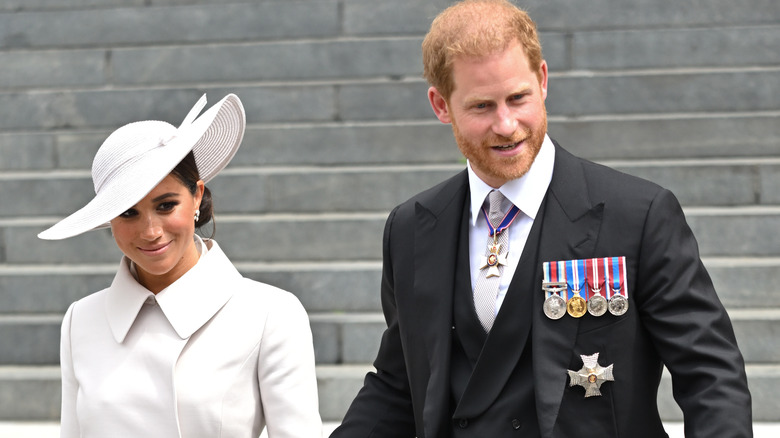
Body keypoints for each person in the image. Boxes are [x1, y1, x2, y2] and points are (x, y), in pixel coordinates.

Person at [330, 0, 752, 437]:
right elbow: (398, 385)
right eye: (481, 107)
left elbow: (710, 375)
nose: (507, 124)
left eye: (518, 98)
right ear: (441, 105)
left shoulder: (639, 215)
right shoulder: (410, 229)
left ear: (543, 80)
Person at [38, 94, 322, 437]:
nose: (151, 231)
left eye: (166, 205)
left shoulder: (270, 314)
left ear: (197, 195)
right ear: (108, 220)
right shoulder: (80, 321)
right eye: (128, 212)